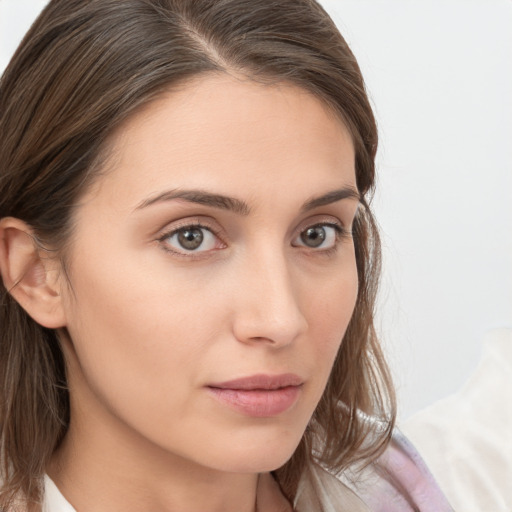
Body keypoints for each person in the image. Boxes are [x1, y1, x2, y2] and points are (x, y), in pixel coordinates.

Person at [0, 1, 453, 510]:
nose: (281, 320)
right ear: (36, 273)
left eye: (317, 233)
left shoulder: (410, 488)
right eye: (190, 237)